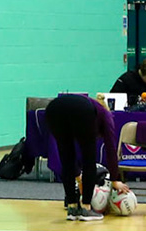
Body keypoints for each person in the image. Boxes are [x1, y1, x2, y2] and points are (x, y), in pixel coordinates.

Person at [44, 92, 124, 222]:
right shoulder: (105, 115)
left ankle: (72, 208)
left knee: (66, 156)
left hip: (53, 109)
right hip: (80, 111)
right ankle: (86, 208)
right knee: (89, 159)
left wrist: (78, 176)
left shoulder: (93, 108)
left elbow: (69, 159)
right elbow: (111, 148)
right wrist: (115, 179)